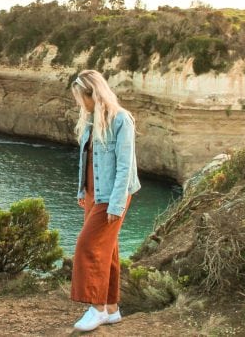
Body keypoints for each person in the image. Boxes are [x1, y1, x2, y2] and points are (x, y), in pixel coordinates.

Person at [69, 69, 141, 332]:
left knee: (88, 247)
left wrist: (116, 204)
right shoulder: (91, 120)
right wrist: (81, 191)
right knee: (108, 250)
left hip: (111, 195)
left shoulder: (122, 120)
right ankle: (112, 309)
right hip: (92, 194)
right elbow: (86, 159)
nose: (80, 103)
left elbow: (125, 167)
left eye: (81, 97)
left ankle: (96, 308)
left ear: (94, 94)